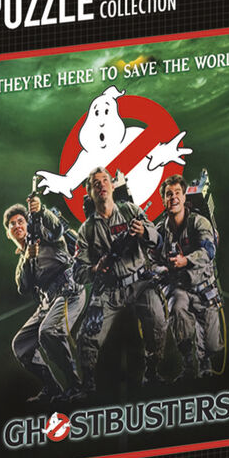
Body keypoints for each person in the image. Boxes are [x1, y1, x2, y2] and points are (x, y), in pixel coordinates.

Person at [73, 167, 167, 395]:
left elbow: (157, 239)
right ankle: (88, 384)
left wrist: (143, 232)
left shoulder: (130, 211)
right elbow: (78, 272)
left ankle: (152, 371)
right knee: (87, 335)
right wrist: (95, 268)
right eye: (95, 183)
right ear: (90, 192)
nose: (101, 185)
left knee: (157, 320)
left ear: (113, 186)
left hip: (140, 282)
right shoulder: (86, 230)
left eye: (105, 180)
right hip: (109, 289)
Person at [3, 195, 84, 402]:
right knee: (21, 345)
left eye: (20, 221)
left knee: (48, 331)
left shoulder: (45, 234)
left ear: (28, 224)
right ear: (8, 233)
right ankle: (52, 388)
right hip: (48, 302)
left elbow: (57, 229)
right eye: (12, 224)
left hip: (69, 291)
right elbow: (23, 287)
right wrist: (27, 258)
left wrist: (41, 211)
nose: (17, 226)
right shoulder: (22, 261)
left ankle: (76, 387)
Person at [157, 174, 224, 378]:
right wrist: (161, 269)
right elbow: (151, 260)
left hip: (204, 288)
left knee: (213, 346)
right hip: (178, 287)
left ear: (184, 197)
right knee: (177, 306)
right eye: (169, 194)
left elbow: (208, 252)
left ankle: (205, 359)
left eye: (177, 193)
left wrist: (185, 260)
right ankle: (190, 361)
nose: (173, 198)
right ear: (164, 200)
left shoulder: (199, 222)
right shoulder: (160, 232)